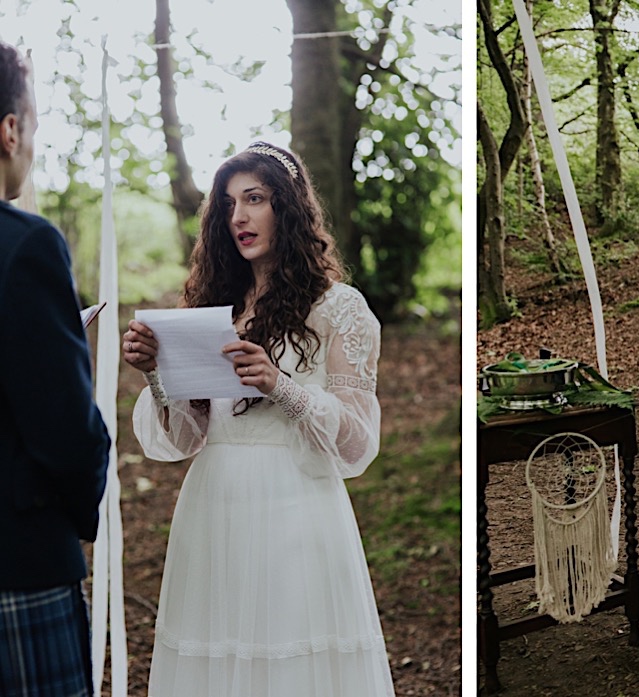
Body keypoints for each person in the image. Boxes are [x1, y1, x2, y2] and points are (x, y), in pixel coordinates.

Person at [122, 142, 394, 695]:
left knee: (288, 661)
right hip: (214, 503)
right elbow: (184, 438)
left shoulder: (340, 308)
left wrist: (281, 386)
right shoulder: (215, 306)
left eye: (255, 199)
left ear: (288, 207)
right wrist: (156, 374)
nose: (239, 217)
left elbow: (357, 443)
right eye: (227, 204)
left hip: (294, 505)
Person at [0, 38, 113, 697]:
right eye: (35, 124)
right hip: (17, 567)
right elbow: (67, 434)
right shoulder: (27, 246)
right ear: (10, 130)